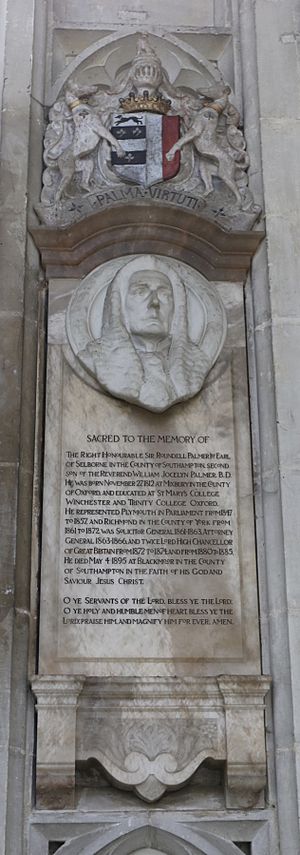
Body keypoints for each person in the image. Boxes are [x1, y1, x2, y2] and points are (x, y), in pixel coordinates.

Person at [77, 257, 215, 413]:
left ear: (177, 310)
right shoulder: (94, 357)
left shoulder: (197, 363)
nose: (154, 303)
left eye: (164, 295)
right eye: (140, 292)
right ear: (120, 305)